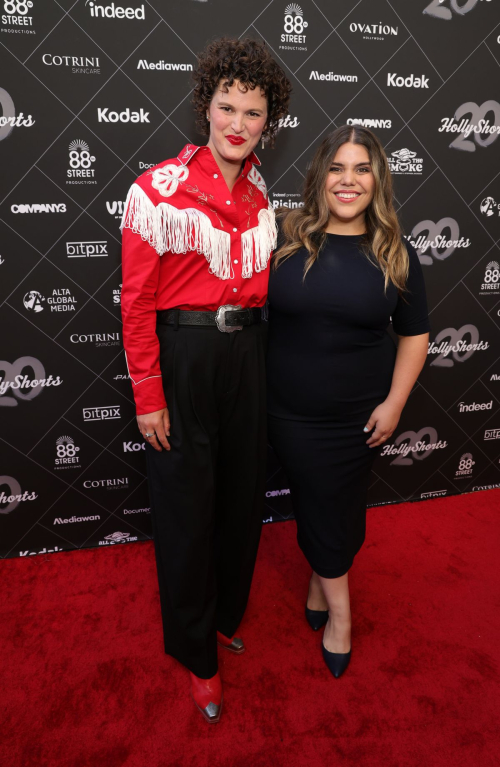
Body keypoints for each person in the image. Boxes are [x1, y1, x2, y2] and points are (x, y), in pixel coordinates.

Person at [120, 37, 291, 722]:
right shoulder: (156, 188)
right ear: (206, 107)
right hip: (183, 357)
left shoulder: (258, 193)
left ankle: (222, 614)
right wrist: (148, 395)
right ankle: (197, 654)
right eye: (228, 106)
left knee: (241, 495)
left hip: (248, 356)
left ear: (266, 122)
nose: (238, 123)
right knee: (187, 509)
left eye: (253, 113)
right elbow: (135, 304)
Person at [266, 125, 430, 679]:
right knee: (322, 504)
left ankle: (321, 587)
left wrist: (396, 404)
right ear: (320, 177)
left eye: (362, 169)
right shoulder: (286, 237)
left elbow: (414, 334)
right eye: (337, 168)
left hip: (362, 415)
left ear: (377, 181)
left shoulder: (395, 252)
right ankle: (341, 614)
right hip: (289, 411)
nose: (348, 180)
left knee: (338, 508)